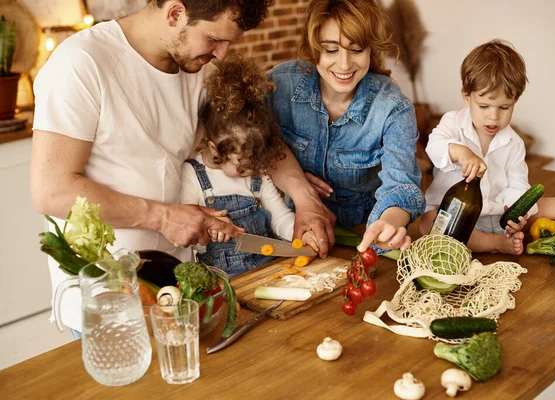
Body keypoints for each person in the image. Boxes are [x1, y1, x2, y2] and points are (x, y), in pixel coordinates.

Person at [30, 0, 333, 336]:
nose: (221, 54)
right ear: (175, 13)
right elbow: (52, 191)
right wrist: (163, 217)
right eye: (214, 39)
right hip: (107, 296)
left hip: (181, 289)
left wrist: (305, 201)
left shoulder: (196, 68)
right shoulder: (81, 64)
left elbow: (260, 142)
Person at [267, 0, 426, 254]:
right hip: (294, 232)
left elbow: (401, 186)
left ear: (370, 50)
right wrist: (297, 184)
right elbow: (255, 147)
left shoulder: (393, 107)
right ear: (314, 48)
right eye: (330, 50)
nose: (344, 65)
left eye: (356, 49)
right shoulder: (278, 86)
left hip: (363, 236)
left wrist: (388, 225)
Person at [420, 39, 555, 254]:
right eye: (484, 106)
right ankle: (494, 243)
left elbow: (517, 184)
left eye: (504, 107)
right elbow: (435, 145)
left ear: (515, 99)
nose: (494, 116)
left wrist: (517, 215)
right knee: (428, 222)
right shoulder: (452, 122)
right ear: (467, 97)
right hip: (457, 217)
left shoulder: (514, 143)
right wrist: (462, 153)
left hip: (498, 217)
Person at [180, 55, 318, 277]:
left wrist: (300, 233)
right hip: (223, 278)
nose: (251, 172)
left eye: (255, 165)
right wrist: (207, 233)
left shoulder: (257, 171)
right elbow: (190, 240)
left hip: (269, 268)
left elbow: (279, 217)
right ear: (216, 150)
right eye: (243, 168)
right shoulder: (192, 175)